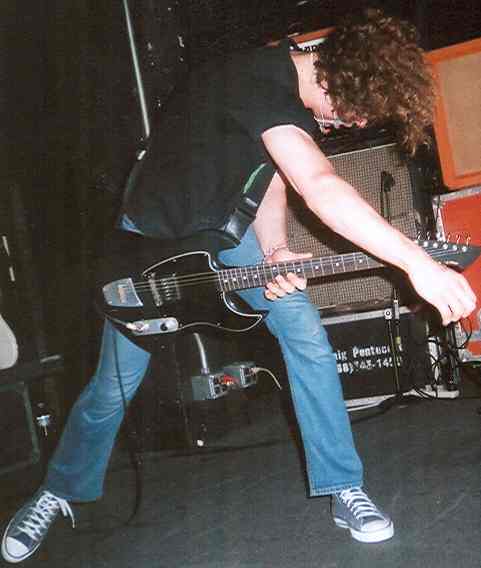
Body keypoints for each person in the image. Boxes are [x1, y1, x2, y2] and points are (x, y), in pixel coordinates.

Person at [2, 8, 476, 563]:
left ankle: (344, 487)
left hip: (223, 236)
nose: (349, 125)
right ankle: (56, 491)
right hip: (148, 243)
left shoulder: (284, 101)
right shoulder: (253, 77)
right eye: (354, 114)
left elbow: (268, 180)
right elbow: (318, 184)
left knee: (305, 335)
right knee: (113, 387)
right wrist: (417, 262)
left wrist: (274, 249)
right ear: (337, 80)